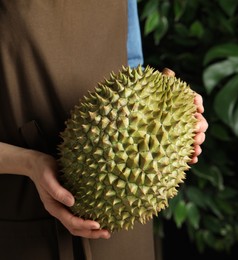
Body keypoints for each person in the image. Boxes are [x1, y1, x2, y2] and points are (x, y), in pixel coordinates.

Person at [0, 1, 208, 259]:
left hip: (127, 208)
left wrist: (175, 113)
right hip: (25, 202)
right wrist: (28, 163)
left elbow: (131, 62)